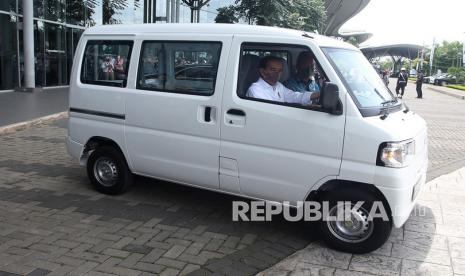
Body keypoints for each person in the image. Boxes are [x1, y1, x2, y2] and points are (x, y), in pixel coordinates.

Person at [246, 56, 320, 105]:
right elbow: (269, 111)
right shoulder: (255, 89)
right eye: (273, 70)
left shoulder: (278, 86)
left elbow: (294, 96)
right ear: (262, 71)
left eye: (280, 70)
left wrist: (319, 94)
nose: (277, 74)